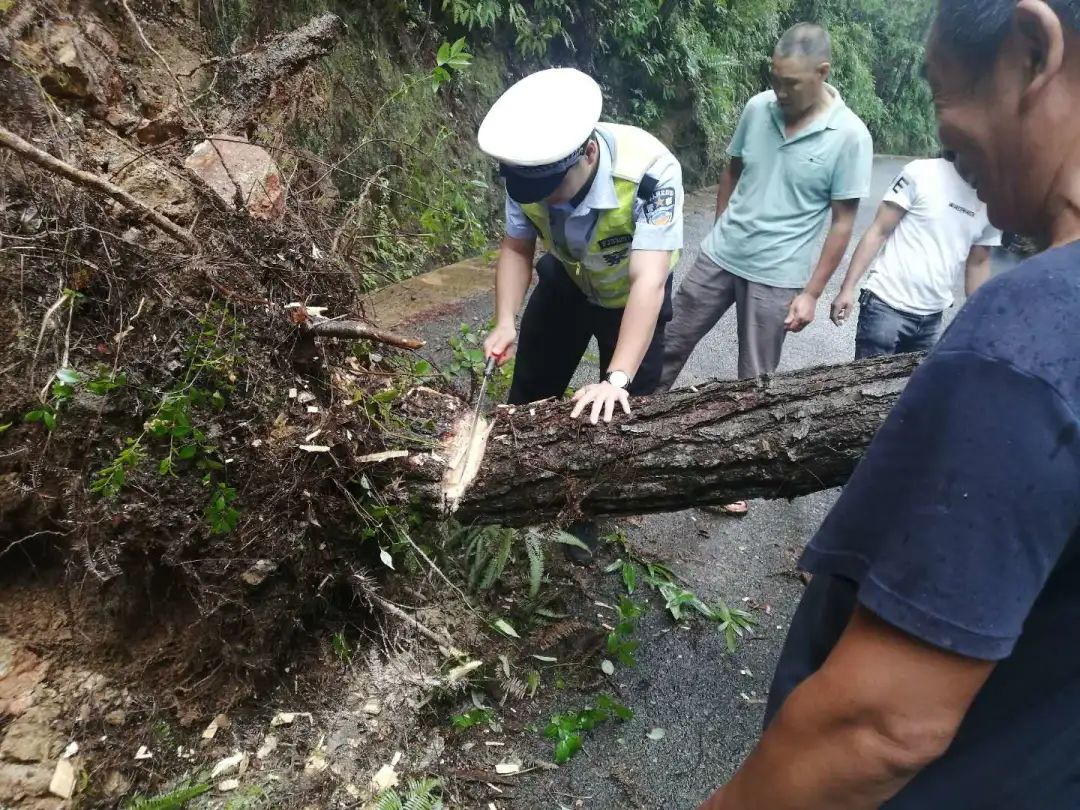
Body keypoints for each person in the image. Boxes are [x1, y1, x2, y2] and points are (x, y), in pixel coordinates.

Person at [696, 1, 1080, 808]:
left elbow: (880, 727)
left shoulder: (1031, 337)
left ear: (1031, 53)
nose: (942, 133)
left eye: (942, 91)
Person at [659, 22, 872, 515]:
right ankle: (622, 450)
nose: (780, 91)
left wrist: (812, 292)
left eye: (790, 83)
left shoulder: (850, 136)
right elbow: (732, 168)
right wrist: (719, 227)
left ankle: (728, 481)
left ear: (822, 73)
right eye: (775, 79)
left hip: (778, 275)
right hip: (720, 256)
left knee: (753, 384)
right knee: (666, 344)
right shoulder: (758, 108)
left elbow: (843, 222)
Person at [477, 67, 683, 427]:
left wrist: (616, 379)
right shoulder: (525, 172)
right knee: (527, 398)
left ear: (588, 153)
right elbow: (517, 247)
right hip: (567, 282)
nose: (544, 199)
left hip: (631, 297)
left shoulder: (650, 174)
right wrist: (505, 320)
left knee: (622, 416)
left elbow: (648, 280)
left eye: (553, 187)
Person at [830, 155, 1001, 357]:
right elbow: (878, 231)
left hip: (932, 319)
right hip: (885, 306)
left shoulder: (993, 203)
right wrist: (847, 288)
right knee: (869, 378)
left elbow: (978, 263)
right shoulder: (921, 172)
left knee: (916, 379)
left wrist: (979, 319)